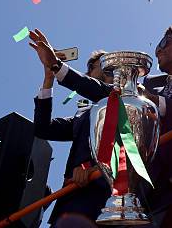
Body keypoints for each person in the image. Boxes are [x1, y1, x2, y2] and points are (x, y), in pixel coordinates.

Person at [28, 24, 172, 214]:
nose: (158, 49)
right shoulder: (150, 87)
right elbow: (107, 94)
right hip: (155, 196)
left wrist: (155, 102)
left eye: (164, 42)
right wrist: (56, 67)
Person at [33, 50, 112, 226]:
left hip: (109, 199)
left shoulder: (130, 99)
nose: (110, 65)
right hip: (71, 201)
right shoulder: (83, 115)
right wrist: (48, 79)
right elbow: (43, 128)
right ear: (89, 72)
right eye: (104, 62)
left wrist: (94, 169)